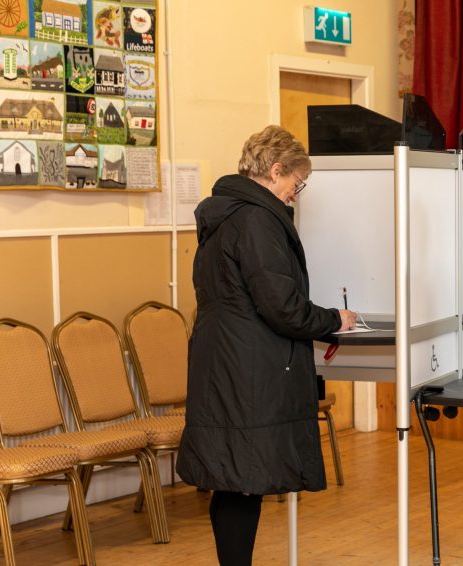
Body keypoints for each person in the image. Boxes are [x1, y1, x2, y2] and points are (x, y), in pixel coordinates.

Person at [175, 125, 357, 566]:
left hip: (223, 359)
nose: (297, 193)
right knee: (243, 479)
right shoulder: (258, 219)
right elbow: (282, 307)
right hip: (249, 368)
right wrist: (335, 320)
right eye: (297, 183)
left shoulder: (226, 213)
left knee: (234, 477)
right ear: (276, 171)